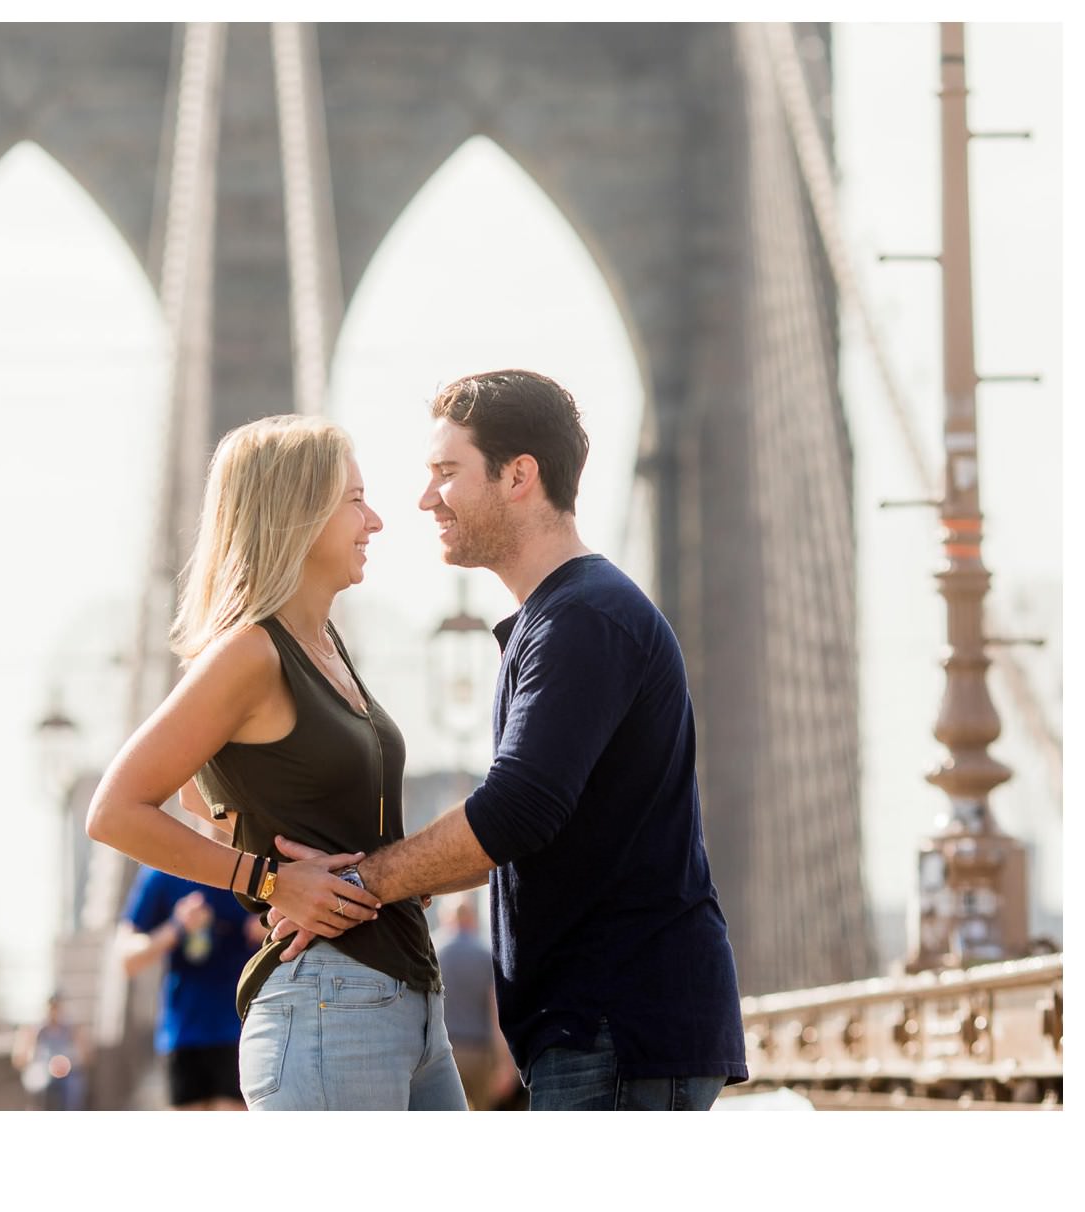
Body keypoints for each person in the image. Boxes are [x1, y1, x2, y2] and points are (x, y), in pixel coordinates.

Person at [270, 369, 748, 1110]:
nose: (426, 499)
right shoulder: (566, 618)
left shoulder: (582, 620)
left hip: (616, 1026)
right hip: (606, 1026)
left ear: (519, 475)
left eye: (447, 473)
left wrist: (353, 888)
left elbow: (517, 811)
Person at [86, 414, 467, 1111]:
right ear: (298, 513)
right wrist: (268, 880)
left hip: (408, 999)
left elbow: (211, 800)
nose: (376, 520)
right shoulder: (250, 653)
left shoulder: (327, 647)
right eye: (355, 499)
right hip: (329, 1005)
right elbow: (114, 811)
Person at [118, 865, 267, 1109]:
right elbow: (126, 958)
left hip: (244, 1029)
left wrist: (271, 927)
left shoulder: (259, 866)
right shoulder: (162, 870)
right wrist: (176, 927)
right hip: (185, 1033)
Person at [430, 893, 519, 1110]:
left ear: (446, 918)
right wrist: (506, 1065)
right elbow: (496, 1014)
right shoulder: (487, 955)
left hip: (442, 1052)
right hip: (480, 1054)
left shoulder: (433, 950)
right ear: (472, 918)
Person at [11, 992, 89, 1110]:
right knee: (40, 1086)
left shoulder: (71, 1030)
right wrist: (31, 1044)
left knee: (73, 1089)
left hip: (68, 1075)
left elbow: (86, 1057)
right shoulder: (33, 1030)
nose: (54, 1013)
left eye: (57, 1008)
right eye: (51, 1009)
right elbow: (19, 1060)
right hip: (41, 1073)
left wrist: (70, 1061)